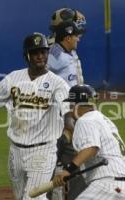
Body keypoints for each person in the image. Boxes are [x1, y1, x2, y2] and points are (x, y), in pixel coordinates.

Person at [0, 32, 72, 200]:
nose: (40, 56)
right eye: (35, 53)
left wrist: (70, 129)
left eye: (43, 52)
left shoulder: (58, 84)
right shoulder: (13, 78)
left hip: (43, 150)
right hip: (16, 151)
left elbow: (67, 111)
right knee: (20, 197)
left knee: (33, 197)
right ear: (27, 55)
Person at [53, 84, 125, 200]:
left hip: (108, 184)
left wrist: (68, 170)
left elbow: (91, 148)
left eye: (71, 105)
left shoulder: (85, 120)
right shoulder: (104, 120)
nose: (71, 109)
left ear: (77, 105)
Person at [46, 8, 88, 200]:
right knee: (54, 160)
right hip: (59, 115)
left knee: (72, 160)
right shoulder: (54, 54)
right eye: (75, 32)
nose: (79, 37)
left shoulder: (62, 50)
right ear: (66, 34)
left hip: (69, 111)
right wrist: (70, 117)